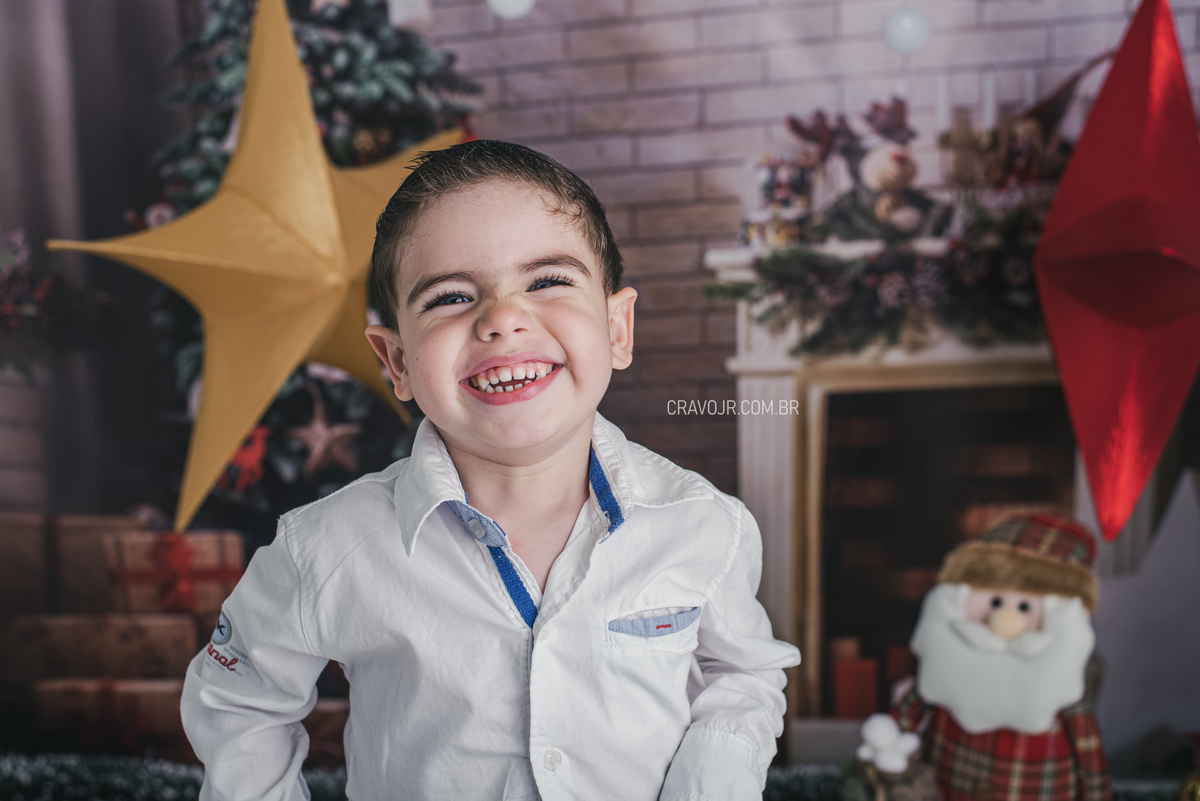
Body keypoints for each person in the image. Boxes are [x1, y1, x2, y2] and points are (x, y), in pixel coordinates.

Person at [181, 139, 801, 801]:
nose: (503, 319)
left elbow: (743, 674)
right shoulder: (325, 547)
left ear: (617, 328)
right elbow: (235, 699)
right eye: (450, 296)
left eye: (547, 281)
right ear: (396, 362)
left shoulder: (701, 522)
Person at [892, 514, 1111, 801]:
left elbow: (1088, 750)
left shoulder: (1062, 691)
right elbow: (904, 716)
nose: (1003, 619)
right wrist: (885, 744)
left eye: (1024, 607)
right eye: (995, 601)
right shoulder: (943, 672)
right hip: (946, 786)